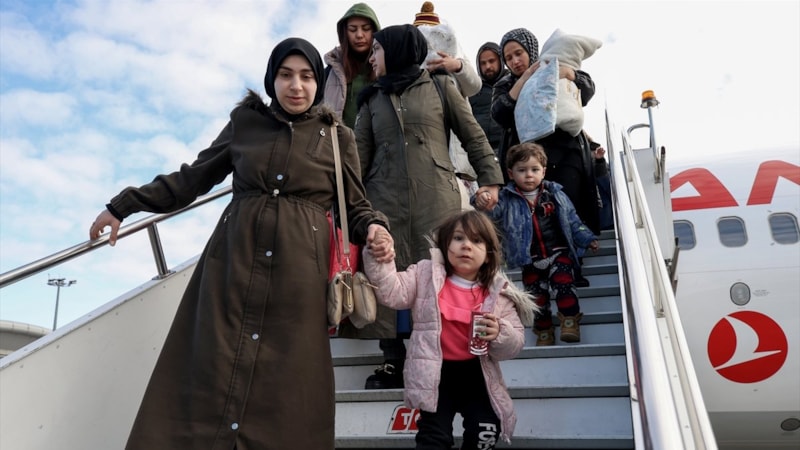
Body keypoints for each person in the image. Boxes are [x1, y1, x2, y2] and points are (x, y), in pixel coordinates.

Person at [88, 37, 394, 449]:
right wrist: (124, 205)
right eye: (286, 75)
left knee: (289, 384)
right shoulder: (245, 123)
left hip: (298, 278)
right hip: (230, 268)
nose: (296, 86)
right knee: (209, 370)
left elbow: (355, 206)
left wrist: (374, 227)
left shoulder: (337, 136)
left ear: (318, 83)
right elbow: (190, 180)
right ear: (272, 79)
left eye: (306, 76)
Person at [346, 24, 504, 390]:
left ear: (398, 50)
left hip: (437, 198)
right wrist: (352, 205)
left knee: (438, 279)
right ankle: (393, 360)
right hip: (383, 203)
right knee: (387, 279)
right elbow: (357, 157)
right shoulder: (370, 100)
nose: (372, 57)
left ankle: (446, 357)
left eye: (378, 50)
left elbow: (472, 133)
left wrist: (490, 179)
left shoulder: (440, 85)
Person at [362, 210, 536, 448]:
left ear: (488, 255)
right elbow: (391, 292)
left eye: (476, 241)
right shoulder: (425, 274)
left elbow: (514, 345)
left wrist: (500, 332)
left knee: (485, 431)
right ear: (445, 245)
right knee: (433, 437)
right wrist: (380, 256)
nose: (466, 246)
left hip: (478, 375)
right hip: (436, 375)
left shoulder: (498, 294)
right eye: (458, 238)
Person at [473, 142, 599, 347]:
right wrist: (481, 199)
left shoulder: (556, 194)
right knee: (535, 297)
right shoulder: (506, 198)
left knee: (564, 285)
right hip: (528, 257)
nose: (529, 175)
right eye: (522, 170)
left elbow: (573, 220)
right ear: (511, 174)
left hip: (558, 252)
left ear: (544, 172)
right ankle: (544, 331)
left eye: (534, 170)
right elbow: (491, 213)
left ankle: (569, 322)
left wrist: (587, 238)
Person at [491, 27, 600, 235]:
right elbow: (499, 114)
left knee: (570, 207)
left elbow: (586, 91)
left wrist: (570, 74)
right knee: (535, 220)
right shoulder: (504, 84)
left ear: (530, 50)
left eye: (518, 53)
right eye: (508, 58)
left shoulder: (554, 65)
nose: (514, 61)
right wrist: (525, 79)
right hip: (525, 162)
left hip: (567, 153)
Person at [413, 1, 482, 207]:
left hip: (455, 152)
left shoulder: (456, 56)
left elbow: (475, 86)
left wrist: (457, 65)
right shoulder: (408, 62)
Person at [323, 2, 381, 129]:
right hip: (338, 145)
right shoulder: (330, 73)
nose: (359, 35)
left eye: (366, 28)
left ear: (375, 31)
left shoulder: (389, 68)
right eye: (352, 29)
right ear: (345, 33)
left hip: (380, 147)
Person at [469, 42, 508, 157]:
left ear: (501, 61)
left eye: (492, 61)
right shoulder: (473, 89)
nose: (488, 67)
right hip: (480, 150)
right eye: (483, 63)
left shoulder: (511, 83)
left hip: (507, 147)